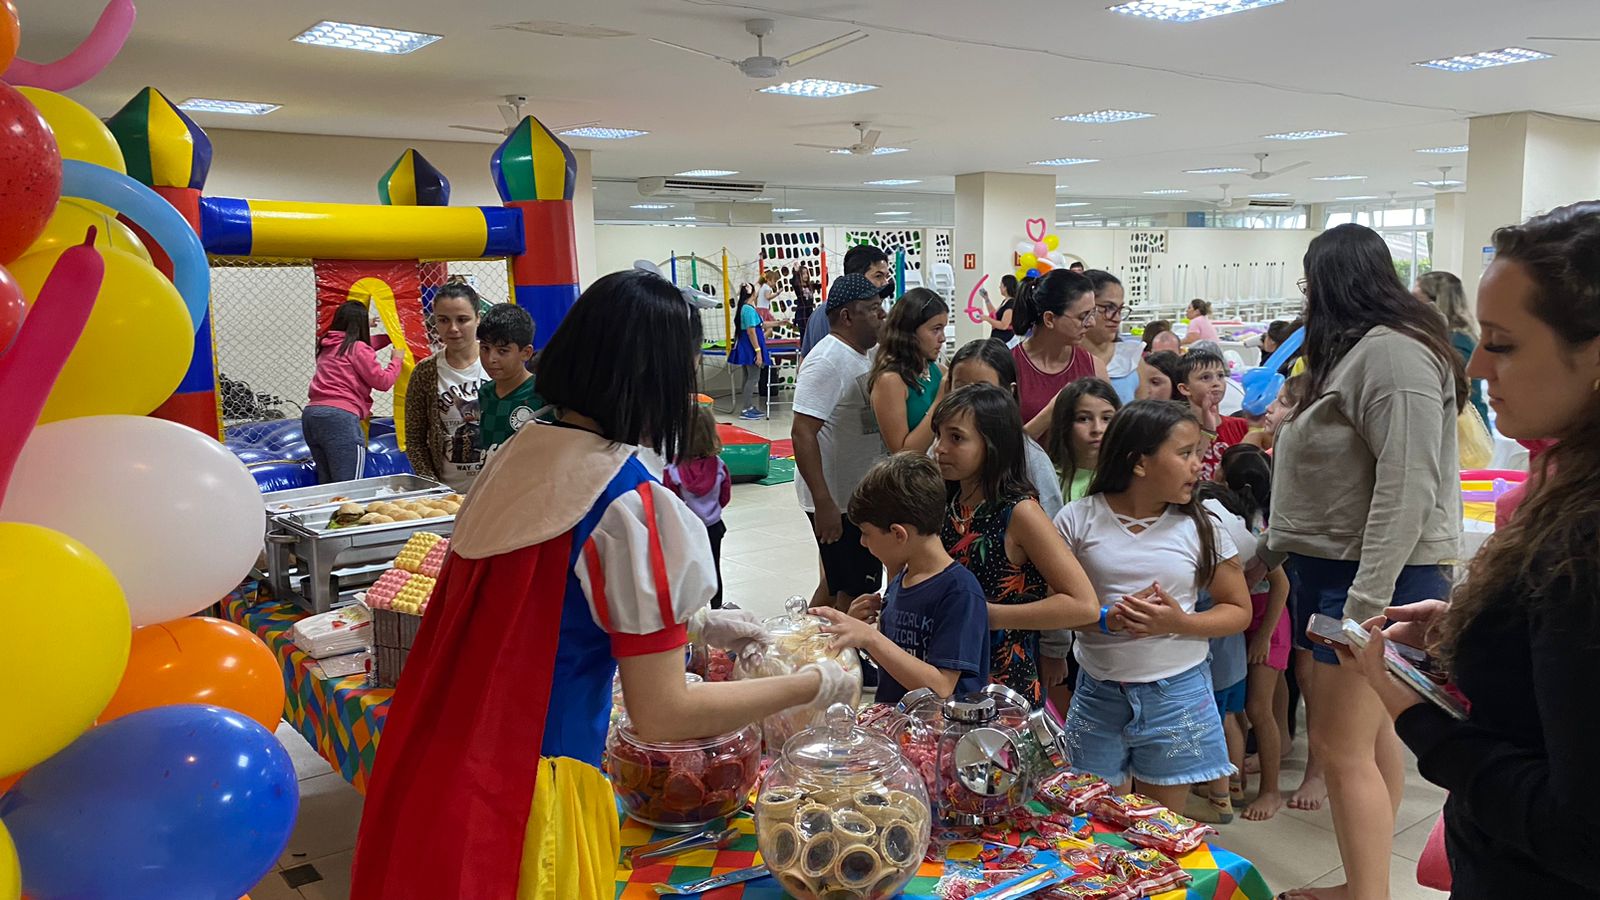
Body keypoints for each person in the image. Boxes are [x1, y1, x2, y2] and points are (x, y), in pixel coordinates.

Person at [350, 270, 856, 900]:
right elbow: (664, 711)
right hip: (534, 796)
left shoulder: (517, 451)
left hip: (435, 758)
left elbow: (538, 598)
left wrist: (695, 623)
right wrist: (815, 682)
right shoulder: (628, 504)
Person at [1354, 202, 1600, 900]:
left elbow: (1580, 832)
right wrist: (1482, 635)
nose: (1481, 364)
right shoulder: (1569, 488)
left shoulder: (1586, 547)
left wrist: (1416, 716)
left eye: (1504, 342)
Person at [1270, 223, 1466, 900]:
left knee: (1337, 746)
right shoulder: (1353, 354)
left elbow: (1406, 488)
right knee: (1367, 741)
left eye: (1308, 283)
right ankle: (1365, 884)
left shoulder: (1394, 355)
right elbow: (1322, 486)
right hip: (1337, 570)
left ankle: (1365, 895)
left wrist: (1362, 608)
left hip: (1379, 577)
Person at [1053, 399, 1251, 812]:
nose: (1199, 465)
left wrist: (1178, 622)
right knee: (1089, 820)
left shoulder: (1203, 526)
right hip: (1098, 691)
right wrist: (1103, 620)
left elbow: (1237, 610)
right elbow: (1054, 603)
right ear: (1139, 463)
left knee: (1159, 827)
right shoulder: (1077, 519)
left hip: (1177, 693)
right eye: (1184, 454)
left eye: (1198, 452)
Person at [933, 384, 1100, 703]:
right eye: (938, 435)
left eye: (956, 438)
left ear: (993, 444)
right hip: (943, 669)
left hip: (1002, 683)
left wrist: (991, 615)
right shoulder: (946, 502)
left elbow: (1083, 604)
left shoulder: (1021, 512)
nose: (940, 448)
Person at [814, 452, 990, 703]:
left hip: (940, 735)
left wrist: (871, 638)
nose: (863, 543)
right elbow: (896, 665)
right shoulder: (902, 578)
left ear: (898, 534)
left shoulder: (959, 591)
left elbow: (941, 687)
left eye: (866, 533)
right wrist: (861, 635)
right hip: (900, 725)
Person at [791, 273, 888, 612]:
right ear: (847, 316)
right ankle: (833, 657)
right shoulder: (827, 360)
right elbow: (802, 432)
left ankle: (801, 646)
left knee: (840, 586)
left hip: (858, 495)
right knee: (850, 592)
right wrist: (824, 503)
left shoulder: (866, 353)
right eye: (873, 309)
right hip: (837, 501)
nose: (882, 315)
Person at [1209, 444, 1292, 822]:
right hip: (1241, 622)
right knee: (1239, 707)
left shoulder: (1254, 531)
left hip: (1266, 625)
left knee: (1259, 709)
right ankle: (1237, 779)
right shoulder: (1237, 519)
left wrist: (1263, 636)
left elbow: (1282, 586)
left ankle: (1271, 790)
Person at [947, 339, 1063, 518]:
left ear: (1009, 391)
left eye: (983, 388)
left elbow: (1053, 526)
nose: (969, 398)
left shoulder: (1031, 459)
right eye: (960, 387)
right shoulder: (942, 446)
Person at [303, 300, 402, 484]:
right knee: (349, 485)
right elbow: (383, 381)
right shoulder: (358, 349)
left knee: (326, 482)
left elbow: (362, 345)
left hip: (311, 416)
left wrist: (388, 337)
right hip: (340, 417)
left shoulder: (327, 345)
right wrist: (397, 360)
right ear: (361, 326)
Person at [405, 284, 484, 491]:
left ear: (478, 318)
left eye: (462, 319)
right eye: (443, 320)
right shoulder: (425, 372)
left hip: (498, 490)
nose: (453, 329)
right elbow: (414, 440)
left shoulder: (497, 363)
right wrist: (434, 487)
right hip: (449, 493)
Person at [1010, 268, 1110, 431]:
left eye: (1093, 313)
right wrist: (1050, 413)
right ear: (1049, 319)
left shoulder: (1095, 368)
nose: (1091, 323)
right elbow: (1000, 450)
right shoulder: (1009, 367)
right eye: (1082, 316)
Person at [664, 406, 731, 608]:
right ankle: (716, 607)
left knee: (690, 569)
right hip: (713, 526)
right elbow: (724, 495)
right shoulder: (718, 465)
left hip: (687, 528)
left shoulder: (672, 469)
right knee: (713, 567)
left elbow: (670, 499)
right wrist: (711, 512)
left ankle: (693, 609)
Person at [869, 288, 948, 454]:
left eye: (943, 329)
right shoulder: (890, 381)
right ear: (911, 331)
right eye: (936, 329)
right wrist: (939, 401)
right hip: (911, 477)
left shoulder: (939, 371)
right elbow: (903, 454)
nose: (942, 338)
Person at [1415, 270, 1490, 425]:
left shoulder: (1456, 342)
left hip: (1464, 429)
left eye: (1415, 299)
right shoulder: (1453, 338)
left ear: (1436, 303)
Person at [476, 304, 546, 454]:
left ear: (526, 353)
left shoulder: (543, 394)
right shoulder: (485, 393)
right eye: (485, 348)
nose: (491, 359)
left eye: (502, 351)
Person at [802, 244, 892, 357]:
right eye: (878, 276)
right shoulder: (851, 315)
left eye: (886, 277)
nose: (885, 283)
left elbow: (803, 361)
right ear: (856, 277)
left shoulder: (816, 314)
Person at [1044, 377, 1121, 504]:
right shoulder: (1048, 479)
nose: (1097, 429)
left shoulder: (1128, 478)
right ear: (1065, 424)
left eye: (1107, 418)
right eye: (1083, 419)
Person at [1177, 348, 1250, 481]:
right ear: (1185, 388)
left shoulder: (1241, 425)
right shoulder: (1179, 431)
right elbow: (1182, 477)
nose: (1216, 383)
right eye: (1205, 377)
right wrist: (1208, 431)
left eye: (1220, 376)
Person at [1080, 271, 1142, 403]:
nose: (1117, 318)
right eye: (1109, 308)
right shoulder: (1061, 359)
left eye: (1120, 309)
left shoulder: (1130, 359)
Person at [729, 276, 769, 420]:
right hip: (751, 348)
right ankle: (746, 410)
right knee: (753, 378)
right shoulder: (748, 309)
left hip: (747, 347)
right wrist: (758, 352)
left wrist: (779, 323)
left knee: (748, 378)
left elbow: (761, 326)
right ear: (752, 293)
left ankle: (749, 406)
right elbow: (752, 331)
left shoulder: (746, 307)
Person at [980, 274, 1019, 343]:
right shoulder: (1005, 301)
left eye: (1001, 284)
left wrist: (987, 319)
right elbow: (994, 314)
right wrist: (986, 298)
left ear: (1005, 287)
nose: (999, 287)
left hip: (1005, 341)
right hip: (998, 339)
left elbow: (1003, 325)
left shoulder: (1011, 304)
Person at [792, 268, 814, 337]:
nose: (806, 275)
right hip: (802, 314)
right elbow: (794, 282)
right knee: (804, 334)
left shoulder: (810, 285)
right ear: (799, 275)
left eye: (806, 273)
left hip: (809, 312)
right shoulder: (798, 287)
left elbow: (822, 285)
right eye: (803, 274)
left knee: (810, 333)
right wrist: (796, 272)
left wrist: (826, 273)